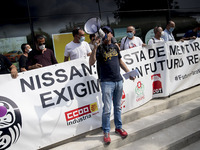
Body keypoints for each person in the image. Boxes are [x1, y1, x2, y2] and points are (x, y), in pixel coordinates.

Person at [89, 26, 135, 144]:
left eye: (106, 33)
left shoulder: (115, 47)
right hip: (106, 82)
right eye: (102, 33)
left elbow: (120, 61)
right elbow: (91, 63)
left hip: (118, 80)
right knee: (107, 109)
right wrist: (94, 47)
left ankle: (118, 127)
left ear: (110, 34)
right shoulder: (99, 48)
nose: (103, 35)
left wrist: (129, 73)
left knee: (118, 107)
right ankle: (106, 131)